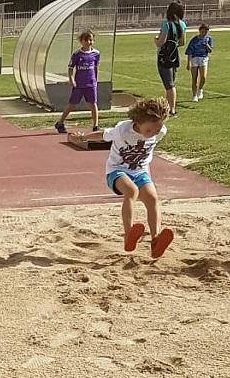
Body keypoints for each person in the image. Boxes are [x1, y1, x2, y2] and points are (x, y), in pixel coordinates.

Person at [72, 97, 174, 259]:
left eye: (157, 130)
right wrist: (83, 138)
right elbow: (103, 135)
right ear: (138, 123)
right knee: (131, 191)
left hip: (140, 171)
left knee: (152, 198)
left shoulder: (160, 131)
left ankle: (156, 240)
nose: (153, 134)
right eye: (149, 130)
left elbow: (154, 135)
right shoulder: (123, 130)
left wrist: (155, 132)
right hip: (117, 170)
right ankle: (129, 235)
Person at [55, 30, 100, 133]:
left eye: (91, 40)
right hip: (79, 84)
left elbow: (96, 67)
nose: (89, 42)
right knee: (72, 104)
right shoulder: (77, 54)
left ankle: (95, 125)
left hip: (91, 83)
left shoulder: (96, 54)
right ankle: (60, 122)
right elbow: (70, 68)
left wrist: (95, 80)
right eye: (86, 40)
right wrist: (71, 79)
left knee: (93, 104)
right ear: (81, 41)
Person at [155, 1, 186, 117]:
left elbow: (160, 42)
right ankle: (169, 108)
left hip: (164, 57)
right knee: (171, 82)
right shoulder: (182, 24)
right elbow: (182, 42)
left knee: (169, 85)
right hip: (174, 56)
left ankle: (172, 110)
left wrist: (155, 39)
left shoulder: (167, 24)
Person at [185, 24, 213, 102]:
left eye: (205, 31)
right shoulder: (194, 40)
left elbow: (210, 50)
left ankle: (200, 89)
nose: (203, 33)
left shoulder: (209, 39)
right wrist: (188, 63)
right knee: (194, 78)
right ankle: (194, 95)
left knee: (203, 77)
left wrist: (207, 45)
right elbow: (189, 52)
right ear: (199, 30)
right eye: (202, 31)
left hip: (203, 58)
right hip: (194, 58)